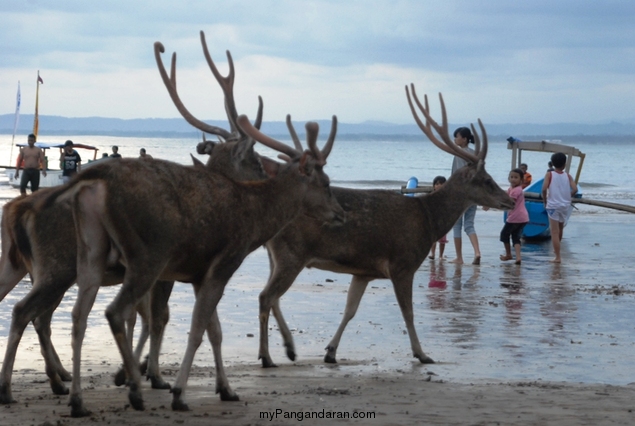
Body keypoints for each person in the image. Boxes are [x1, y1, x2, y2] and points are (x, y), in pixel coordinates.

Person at [450, 127, 482, 265]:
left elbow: (456, 176)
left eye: (457, 136)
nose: (455, 139)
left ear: (464, 139)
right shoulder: (475, 154)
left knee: (457, 225)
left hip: (459, 195)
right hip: (473, 194)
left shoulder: (459, 154)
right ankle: (477, 252)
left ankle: (459, 257)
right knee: (469, 225)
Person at [541, 152, 578, 263]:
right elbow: (575, 189)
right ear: (565, 164)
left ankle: (557, 257)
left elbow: (544, 189)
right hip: (564, 205)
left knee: (554, 232)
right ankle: (557, 250)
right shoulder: (568, 175)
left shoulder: (549, 174)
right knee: (560, 229)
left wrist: (545, 200)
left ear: (552, 163)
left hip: (553, 205)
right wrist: (567, 196)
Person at [499, 168, 529, 265]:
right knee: (516, 237)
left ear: (521, 180)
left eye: (516, 177)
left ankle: (508, 254)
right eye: (511, 177)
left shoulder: (516, 190)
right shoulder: (511, 189)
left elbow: (510, 201)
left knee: (504, 235)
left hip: (515, 217)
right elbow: (505, 196)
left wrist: (498, 205)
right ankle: (518, 258)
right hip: (523, 218)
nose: (513, 179)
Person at [428, 175, 448, 260]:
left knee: (442, 240)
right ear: (434, 186)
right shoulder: (432, 196)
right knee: (433, 239)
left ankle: (440, 255)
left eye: (441, 184)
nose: (439, 185)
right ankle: (432, 254)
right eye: (436, 184)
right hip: (434, 220)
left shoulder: (446, 197)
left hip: (443, 220)